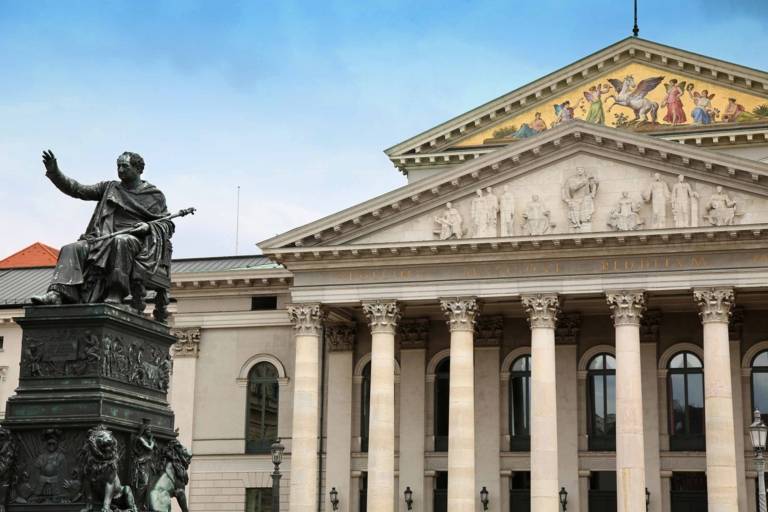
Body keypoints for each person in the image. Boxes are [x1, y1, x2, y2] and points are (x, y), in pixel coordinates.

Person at [31, 151, 174, 311]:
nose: (120, 170)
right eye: (118, 166)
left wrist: (147, 227)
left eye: (125, 166)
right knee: (71, 248)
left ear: (138, 169)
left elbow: (167, 224)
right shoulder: (109, 188)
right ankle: (58, 293)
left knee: (121, 241)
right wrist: (55, 172)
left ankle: (116, 293)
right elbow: (77, 189)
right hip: (102, 238)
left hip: (136, 241)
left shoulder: (154, 195)